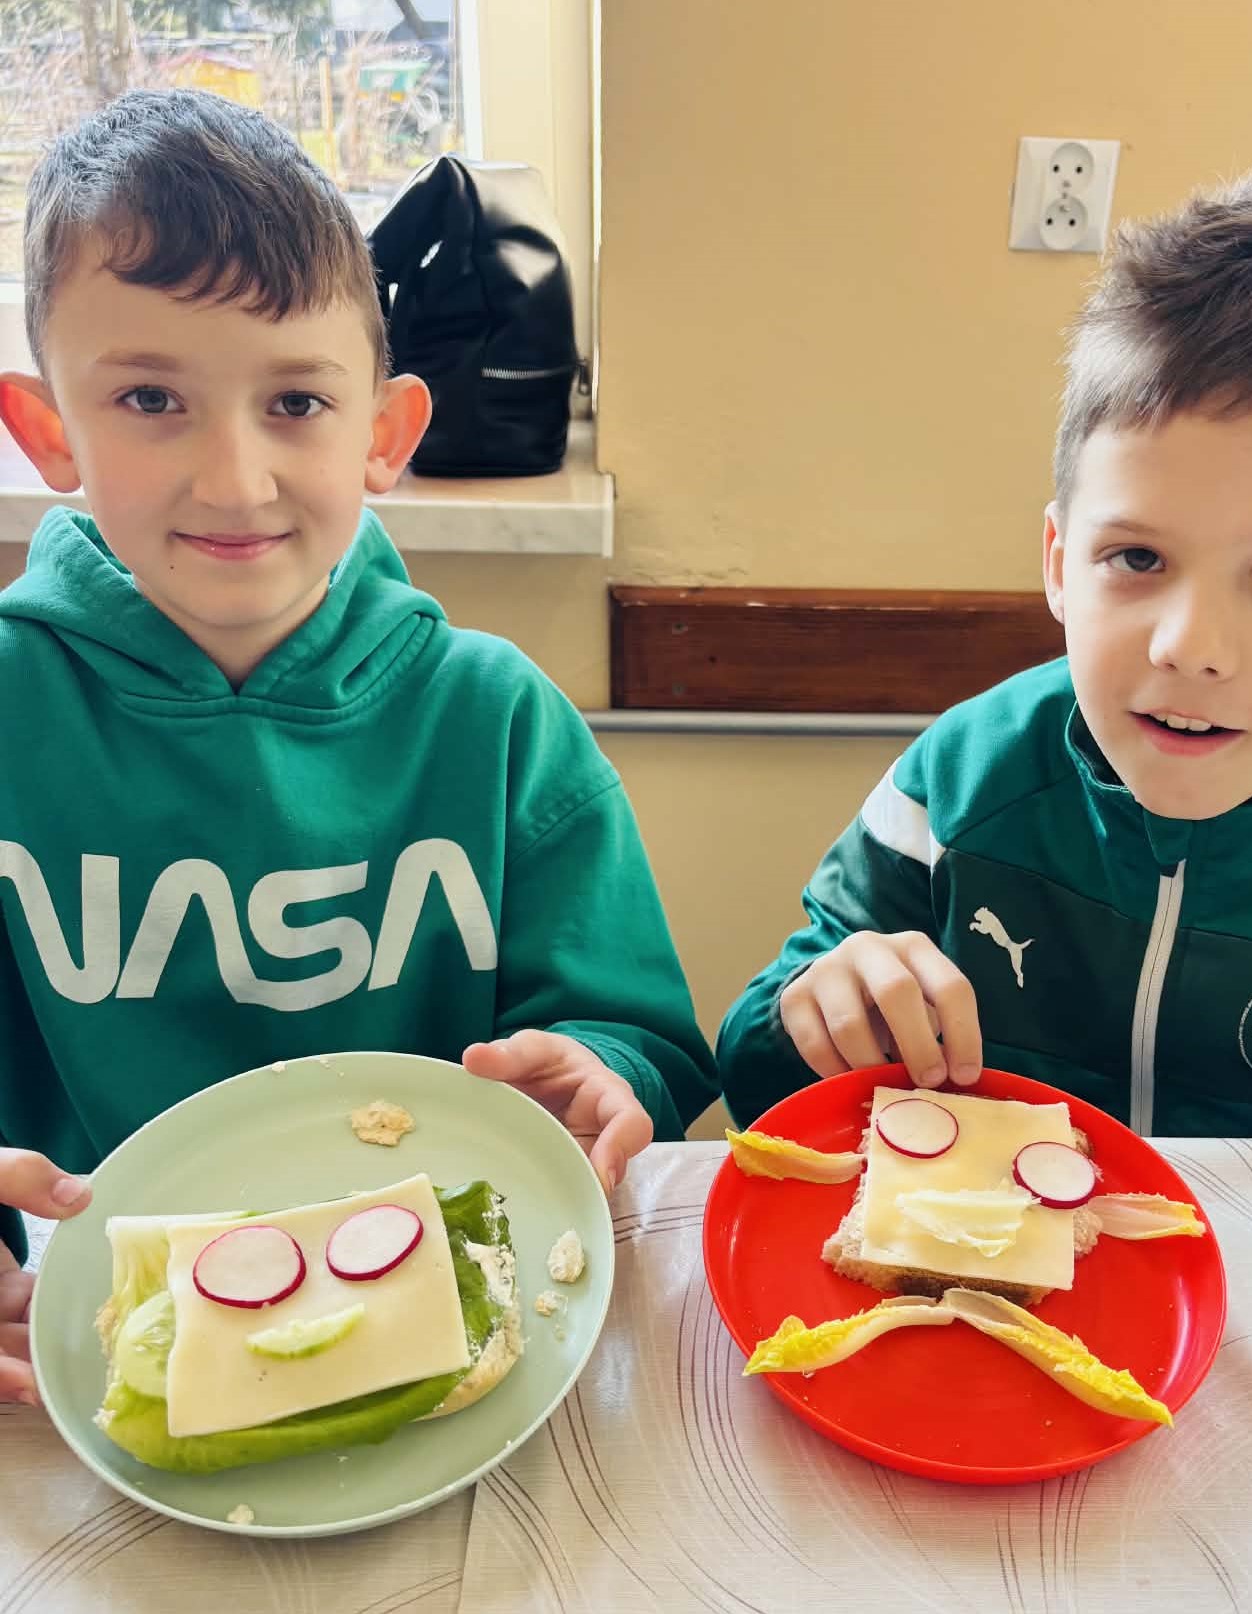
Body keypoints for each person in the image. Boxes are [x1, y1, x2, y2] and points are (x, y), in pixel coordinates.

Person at [0, 89, 716, 1403]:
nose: (233, 479)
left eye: (295, 401)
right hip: (101, 1338)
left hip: (458, 1319)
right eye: (151, 397)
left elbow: (637, 1040)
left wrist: (605, 1072)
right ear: (50, 432)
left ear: (384, 433)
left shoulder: (497, 721)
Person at [718, 168, 1252, 1143]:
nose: (1189, 647)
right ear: (1060, 563)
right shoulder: (958, 783)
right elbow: (757, 1082)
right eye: (1138, 557)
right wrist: (814, 1010)